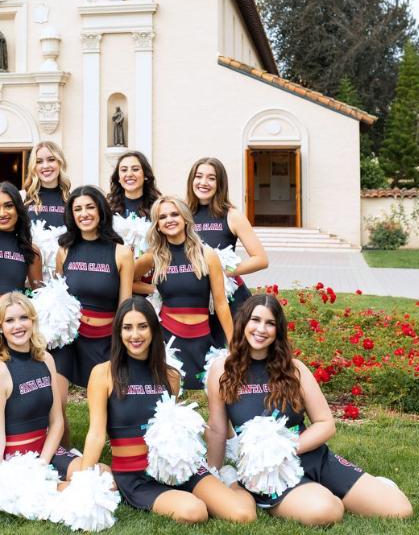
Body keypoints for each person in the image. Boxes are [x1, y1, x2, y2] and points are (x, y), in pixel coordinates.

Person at [206, 294, 413, 525]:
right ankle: (313, 495)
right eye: (255, 320)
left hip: (312, 456)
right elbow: (216, 428)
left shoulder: (295, 369)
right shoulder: (221, 370)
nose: (261, 329)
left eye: (270, 323)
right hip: (269, 471)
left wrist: (285, 447)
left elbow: (326, 423)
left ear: (278, 330)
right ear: (243, 322)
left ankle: (350, 488)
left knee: (399, 509)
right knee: (326, 511)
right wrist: (213, 475)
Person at [79, 297, 256, 524]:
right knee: (194, 512)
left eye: (142, 326)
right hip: (136, 476)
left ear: (153, 329)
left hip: (178, 468)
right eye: (127, 327)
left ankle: (230, 480)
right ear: (118, 332)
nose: (135, 335)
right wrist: (83, 482)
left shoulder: (170, 376)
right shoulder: (103, 374)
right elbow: (96, 433)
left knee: (244, 515)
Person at [50, 185, 133, 447]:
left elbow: (125, 304)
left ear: (100, 210)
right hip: (70, 340)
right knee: (56, 400)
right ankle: (62, 453)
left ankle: (117, 445)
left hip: (104, 340)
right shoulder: (64, 250)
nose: (84, 214)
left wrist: (122, 344)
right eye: (77, 209)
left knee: (113, 403)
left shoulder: (121, 252)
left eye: (89, 207)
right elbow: (59, 297)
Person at [134, 196, 233, 390]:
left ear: (185, 218)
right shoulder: (153, 257)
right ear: (158, 225)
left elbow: (221, 303)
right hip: (168, 338)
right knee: (168, 395)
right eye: (162, 217)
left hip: (202, 338)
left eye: (174, 214)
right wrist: (155, 289)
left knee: (214, 391)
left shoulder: (207, 255)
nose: (169, 220)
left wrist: (233, 344)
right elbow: (128, 281)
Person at [0, 292, 81, 481]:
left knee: (102, 477)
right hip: (17, 459)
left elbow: (57, 422)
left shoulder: (46, 359)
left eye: (23, 318)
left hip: (47, 450)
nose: (18, 325)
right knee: (67, 491)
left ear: (32, 321)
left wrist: (42, 464)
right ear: (0, 328)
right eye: (9, 320)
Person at [186, 157, 268, 345]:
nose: (203, 182)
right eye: (199, 176)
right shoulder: (183, 214)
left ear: (220, 183)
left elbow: (261, 259)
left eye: (211, 178)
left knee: (236, 352)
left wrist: (222, 271)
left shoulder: (232, 215)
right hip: (197, 299)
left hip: (231, 300)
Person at [23, 141, 71, 229]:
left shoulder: (70, 199)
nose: (45, 166)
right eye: (39, 161)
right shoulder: (23, 197)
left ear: (60, 162)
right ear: (34, 166)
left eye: (51, 159)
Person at [107, 150, 161, 219]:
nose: (129, 174)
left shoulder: (158, 207)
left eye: (135, 169)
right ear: (118, 178)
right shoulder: (108, 208)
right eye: (124, 170)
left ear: (145, 175)